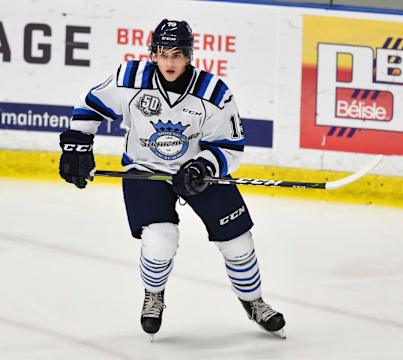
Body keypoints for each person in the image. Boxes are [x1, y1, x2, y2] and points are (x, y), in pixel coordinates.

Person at [58, 19, 286, 339]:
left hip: (196, 173)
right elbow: (90, 105)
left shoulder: (214, 94)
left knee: (238, 242)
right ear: (153, 54)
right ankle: (154, 295)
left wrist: (202, 168)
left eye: (177, 55)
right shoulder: (130, 79)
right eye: (163, 54)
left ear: (189, 55)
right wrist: (77, 146)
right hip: (144, 170)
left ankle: (254, 302)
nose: (169, 62)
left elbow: (230, 146)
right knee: (160, 239)